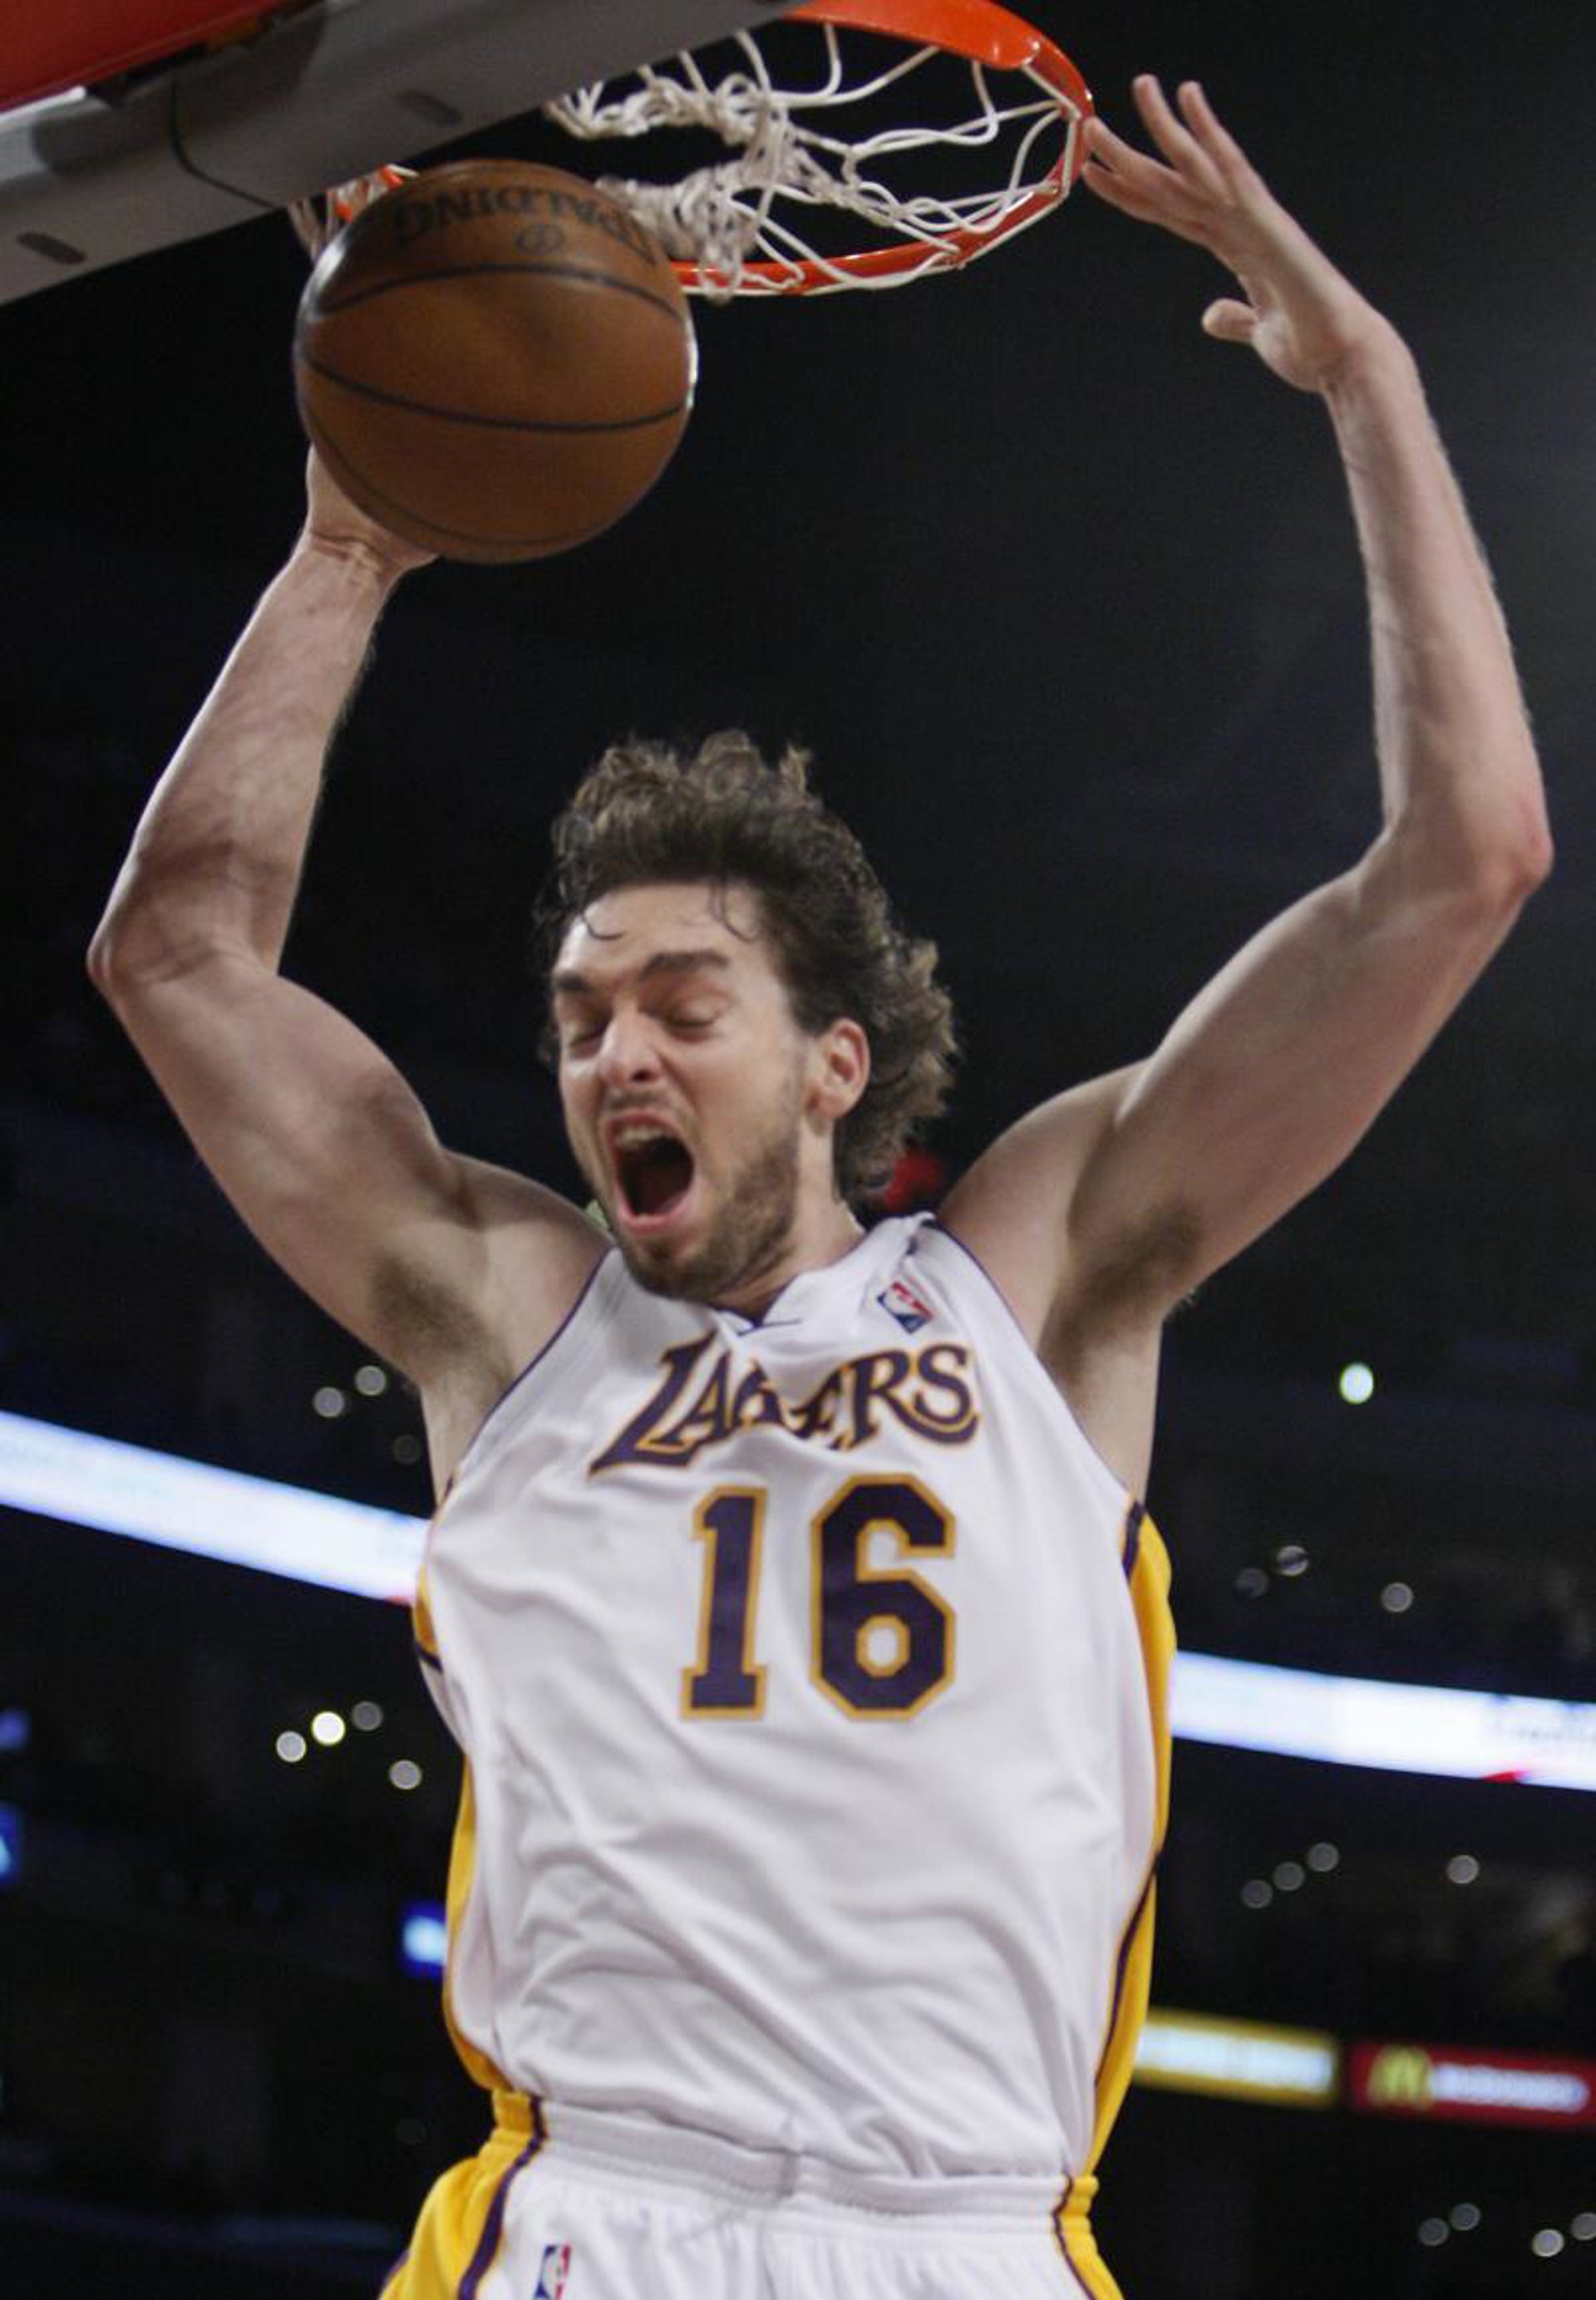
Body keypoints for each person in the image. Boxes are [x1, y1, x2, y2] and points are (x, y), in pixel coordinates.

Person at [89, 78, 1549, 2300]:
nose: (616, 1053)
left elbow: (1467, 862)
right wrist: (355, 543)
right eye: (582, 1016)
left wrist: (1376, 388)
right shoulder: (503, 1305)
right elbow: (179, 959)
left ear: (835, 1065)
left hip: (963, 2232)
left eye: (683, 1005)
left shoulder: (1044, 1276)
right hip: (597, 2214)